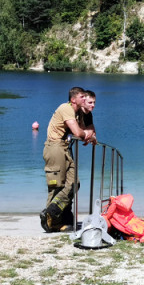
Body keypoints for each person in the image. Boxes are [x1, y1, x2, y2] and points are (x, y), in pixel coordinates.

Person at [40, 86, 94, 233]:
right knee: (56, 185)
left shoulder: (77, 114)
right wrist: (86, 134)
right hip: (55, 147)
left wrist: (88, 134)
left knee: (74, 183)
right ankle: (52, 222)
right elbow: (78, 132)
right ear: (73, 99)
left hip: (65, 148)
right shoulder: (66, 108)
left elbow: (89, 131)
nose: (85, 99)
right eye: (82, 97)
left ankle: (53, 211)